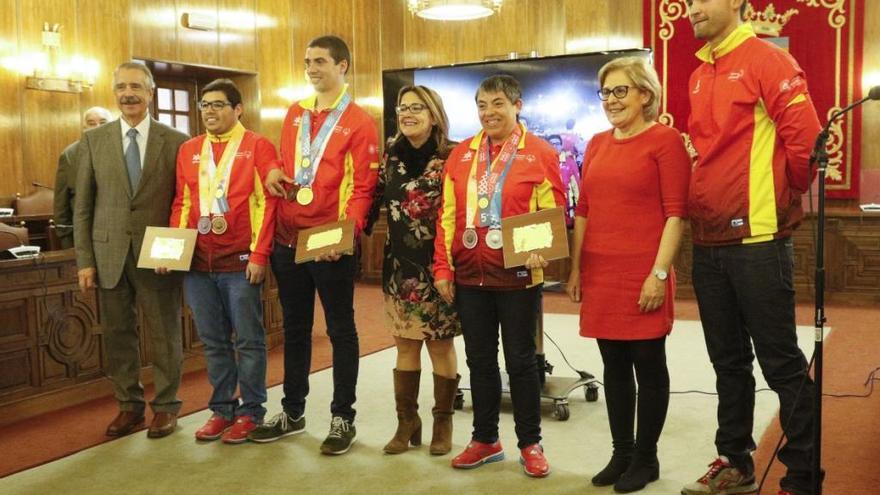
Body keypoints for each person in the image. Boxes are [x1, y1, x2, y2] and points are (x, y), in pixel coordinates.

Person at [681, 1, 821, 495]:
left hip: (758, 240)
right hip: (708, 240)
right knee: (727, 363)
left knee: (780, 362)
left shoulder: (768, 59)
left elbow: (806, 144)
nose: (692, 7)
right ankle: (734, 460)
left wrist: (779, 205)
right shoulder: (699, 73)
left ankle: (803, 474)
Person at [248, 35, 379, 456]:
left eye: (320, 61)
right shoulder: (294, 113)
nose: (312, 68)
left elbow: (363, 188)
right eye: (307, 62)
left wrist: (344, 238)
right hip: (288, 239)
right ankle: (292, 410)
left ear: (343, 66)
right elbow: (281, 162)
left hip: (329, 242)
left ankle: (344, 417)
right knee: (296, 329)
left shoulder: (359, 120)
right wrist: (270, 170)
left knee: (341, 329)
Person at [566, 56, 691, 493]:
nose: (612, 100)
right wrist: (577, 268)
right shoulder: (597, 143)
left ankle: (646, 457)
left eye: (621, 91)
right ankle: (621, 453)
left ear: (645, 94)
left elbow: (676, 215)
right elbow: (583, 211)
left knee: (648, 365)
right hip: (600, 271)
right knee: (613, 366)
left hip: (642, 270)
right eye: (606, 92)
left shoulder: (665, 140)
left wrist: (659, 274)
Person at [433, 74, 564, 478]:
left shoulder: (539, 152)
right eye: (482, 105)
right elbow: (448, 216)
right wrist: (442, 267)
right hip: (470, 275)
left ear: (517, 105)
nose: (489, 113)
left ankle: (530, 443)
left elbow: (553, 212)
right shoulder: (461, 155)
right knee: (480, 362)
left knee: (522, 363)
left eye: (498, 104)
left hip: (519, 275)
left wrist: (543, 245)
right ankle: (486, 440)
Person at [73, 62, 189, 438]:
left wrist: (171, 252)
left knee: (164, 332)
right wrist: (85, 261)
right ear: (114, 93)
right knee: (119, 334)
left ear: (150, 92)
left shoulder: (174, 140)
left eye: (136, 86)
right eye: (121, 87)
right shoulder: (94, 140)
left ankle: (167, 406)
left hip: (158, 255)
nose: (128, 93)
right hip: (108, 256)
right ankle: (129, 406)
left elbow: (183, 200)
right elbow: (83, 208)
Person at [162, 79, 278, 444]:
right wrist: (173, 250)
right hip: (198, 264)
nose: (210, 111)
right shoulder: (189, 149)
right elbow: (182, 201)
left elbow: (266, 204)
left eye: (218, 105)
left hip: (240, 262)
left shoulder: (257, 146)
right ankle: (222, 409)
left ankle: (251, 411)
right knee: (212, 341)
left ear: (237, 108)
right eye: (204, 105)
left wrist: (259, 254)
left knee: (248, 340)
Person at [365, 85, 461, 456]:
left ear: (434, 114)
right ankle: (407, 421)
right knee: (405, 346)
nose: (407, 114)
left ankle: (442, 421)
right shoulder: (390, 154)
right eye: (403, 108)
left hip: (439, 267)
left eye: (417, 107)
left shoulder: (452, 155)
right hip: (399, 269)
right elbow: (371, 198)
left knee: (440, 345)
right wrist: (342, 236)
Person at [55, 106, 113, 248]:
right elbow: (61, 203)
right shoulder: (69, 155)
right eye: (91, 123)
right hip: (85, 233)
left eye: (103, 122)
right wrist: (66, 238)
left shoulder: (123, 151)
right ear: (84, 127)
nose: (97, 127)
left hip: (116, 231)